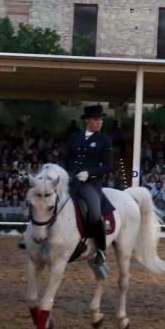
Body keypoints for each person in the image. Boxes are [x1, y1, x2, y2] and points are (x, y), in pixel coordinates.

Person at [60, 104, 115, 277]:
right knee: (47, 199)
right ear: (87, 120)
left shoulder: (104, 140)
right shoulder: (74, 137)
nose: (99, 123)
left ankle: (100, 250)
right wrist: (65, 173)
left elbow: (108, 166)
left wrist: (89, 173)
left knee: (94, 210)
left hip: (91, 183)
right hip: (71, 180)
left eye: (100, 120)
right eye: (95, 119)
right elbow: (65, 158)